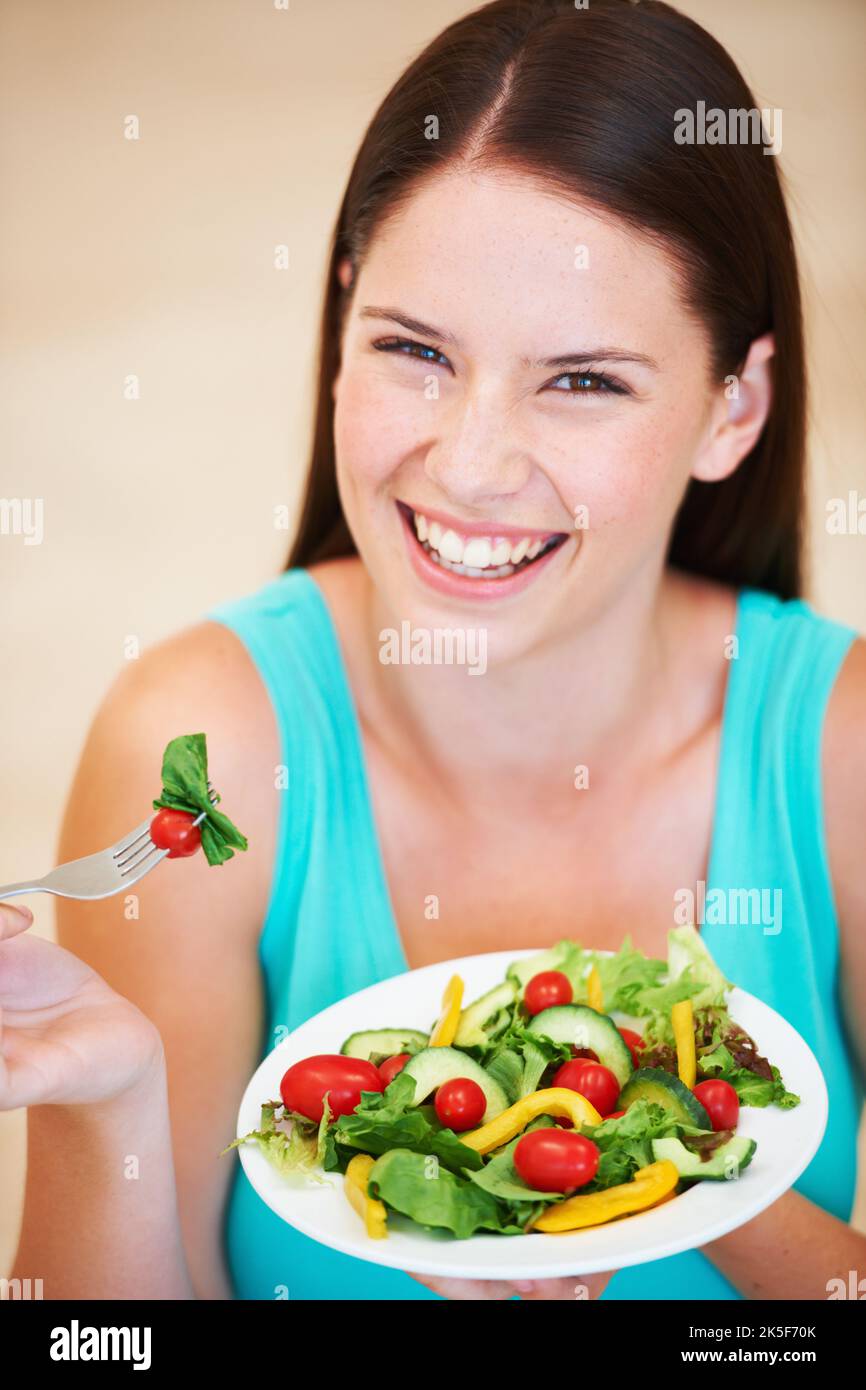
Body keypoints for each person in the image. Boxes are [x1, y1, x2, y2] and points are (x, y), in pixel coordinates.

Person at [3, 0, 865, 1302]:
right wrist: (109, 1110)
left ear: (728, 408)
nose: (468, 466)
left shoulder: (839, 748)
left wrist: (671, 1172)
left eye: (582, 380)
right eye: (415, 351)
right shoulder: (197, 753)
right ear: (341, 324)